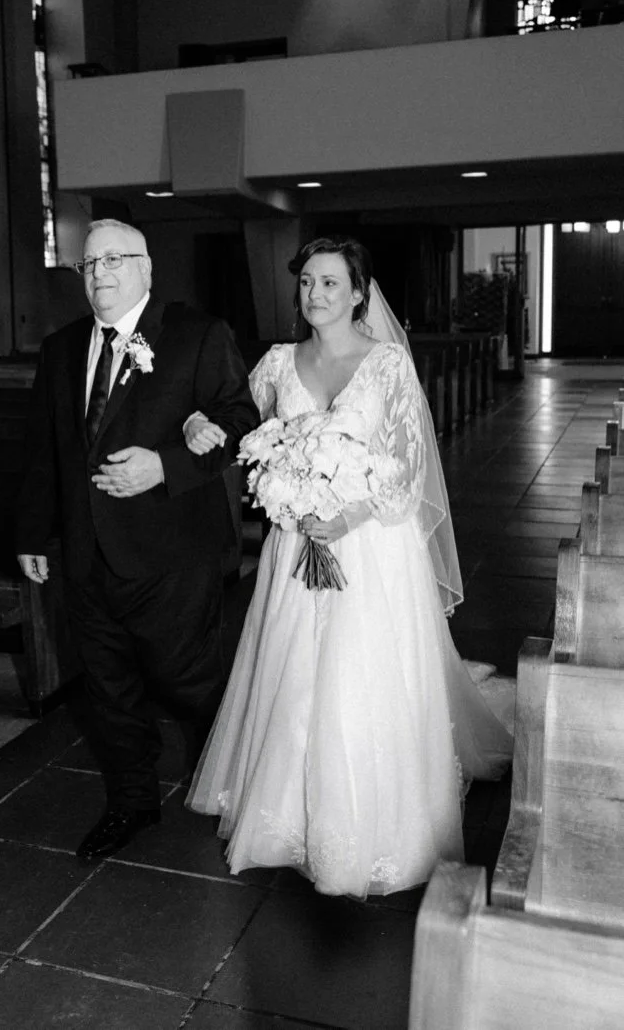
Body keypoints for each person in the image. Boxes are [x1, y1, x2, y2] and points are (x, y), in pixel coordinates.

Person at [183, 236, 513, 897]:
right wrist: (198, 424)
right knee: (295, 670)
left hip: (369, 544)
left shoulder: (387, 365)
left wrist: (347, 513)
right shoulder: (278, 362)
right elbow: (238, 423)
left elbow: (410, 467)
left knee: (357, 673)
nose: (315, 295)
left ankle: (371, 819)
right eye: (307, 282)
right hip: (296, 544)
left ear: (359, 292)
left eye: (330, 282)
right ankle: (286, 805)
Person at [14, 218, 261, 864]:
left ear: (146, 268)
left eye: (114, 260)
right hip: (85, 553)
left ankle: (226, 789)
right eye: (89, 264)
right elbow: (43, 447)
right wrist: (32, 530)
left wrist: (166, 464)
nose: (99, 273)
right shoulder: (62, 347)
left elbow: (241, 422)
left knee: (189, 680)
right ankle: (131, 801)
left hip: (172, 550)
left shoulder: (196, 335)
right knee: (108, 689)